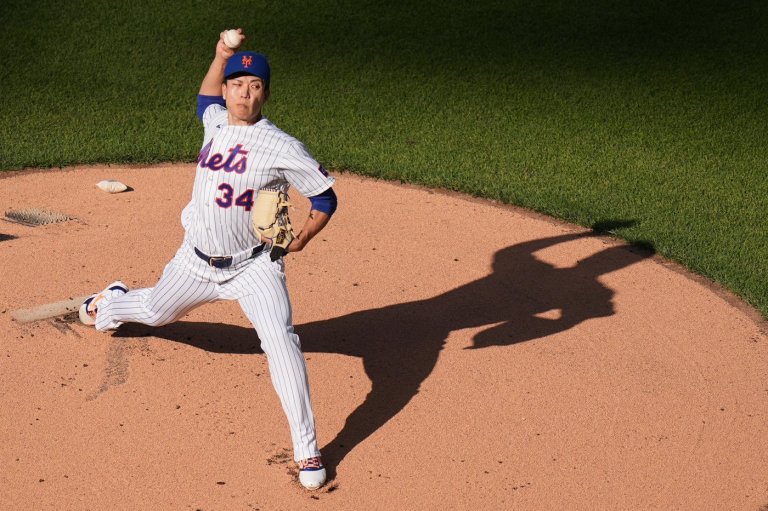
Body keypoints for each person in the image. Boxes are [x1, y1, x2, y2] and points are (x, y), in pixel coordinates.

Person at [78, 29, 337, 490]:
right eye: (238, 84)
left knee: (280, 342)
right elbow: (203, 97)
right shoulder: (214, 121)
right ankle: (112, 301)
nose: (245, 92)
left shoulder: (282, 145)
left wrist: (303, 239)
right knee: (156, 311)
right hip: (195, 262)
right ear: (228, 89)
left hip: (254, 266)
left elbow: (325, 199)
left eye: (255, 86)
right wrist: (221, 54)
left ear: (266, 94)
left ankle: (307, 449)